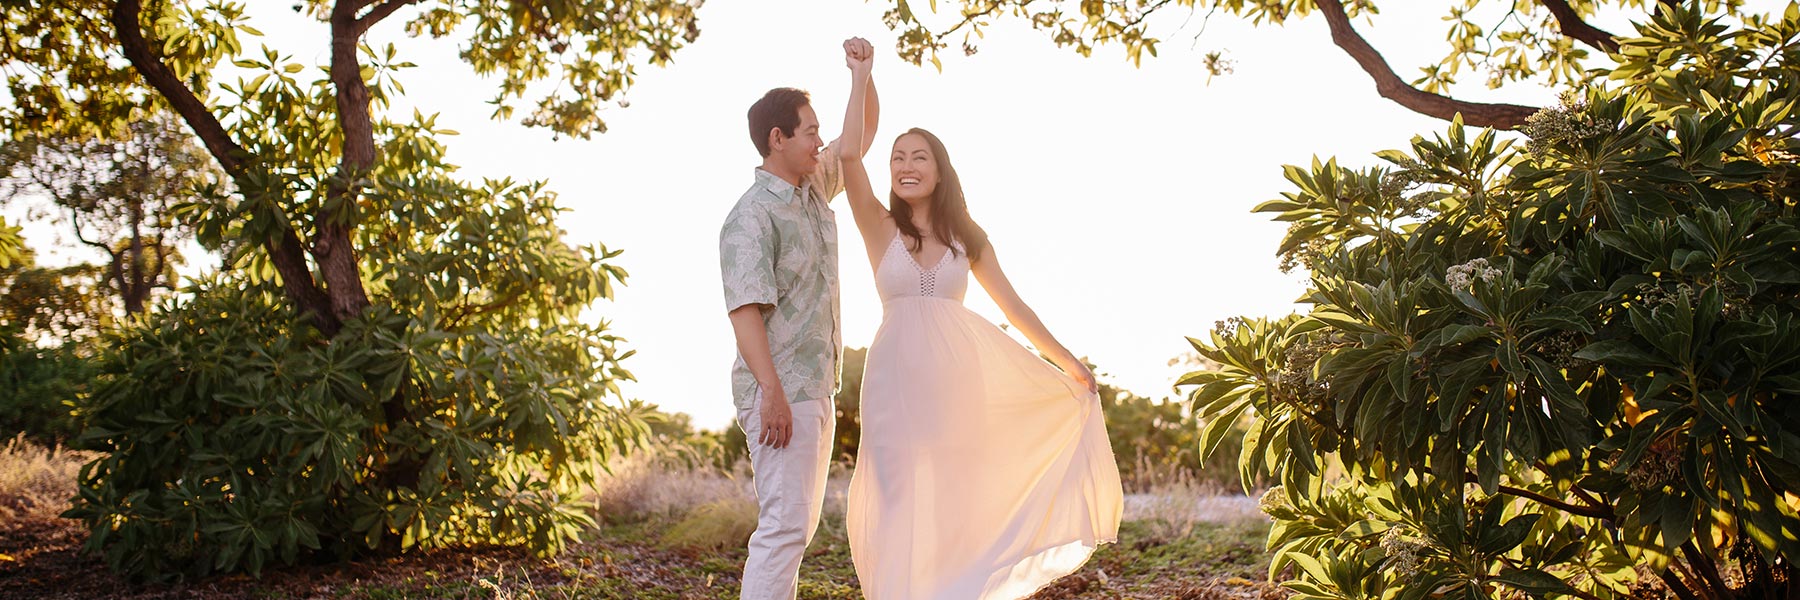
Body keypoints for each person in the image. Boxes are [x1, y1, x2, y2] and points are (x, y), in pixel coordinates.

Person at [834, 40, 1124, 599]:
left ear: (941, 172)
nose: (905, 165)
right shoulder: (877, 226)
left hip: (956, 383)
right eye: (897, 157)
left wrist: (1069, 365)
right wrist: (861, 78)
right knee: (895, 501)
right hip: (894, 381)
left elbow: (1015, 309)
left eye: (919, 157)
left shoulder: (969, 237)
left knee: (951, 500)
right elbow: (848, 158)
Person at [717, 39, 880, 600]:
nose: (819, 139)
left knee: (797, 528)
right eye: (809, 131)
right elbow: (745, 312)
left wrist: (862, 75)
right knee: (784, 528)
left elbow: (858, 140)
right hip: (779, 390)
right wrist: (772, 393)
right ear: (777, 138)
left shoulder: (811, 188)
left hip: (814, 386)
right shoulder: (750, 216)